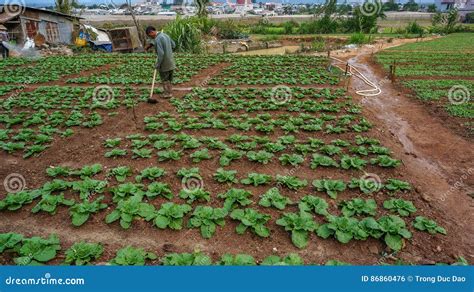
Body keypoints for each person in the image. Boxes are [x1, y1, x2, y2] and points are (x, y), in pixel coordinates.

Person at [144, 26, 176, 103]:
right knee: (169, 78)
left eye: (150, 35)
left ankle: (167, 93)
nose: (151, 37)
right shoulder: (165, 35)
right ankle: (169, 92)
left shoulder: (158, 39)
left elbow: (161, 54)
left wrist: (157, 64)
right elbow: (173, 45)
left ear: (152, 32)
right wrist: (167, 49)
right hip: (171, 61)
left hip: (164, 63)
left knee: (164, 79)